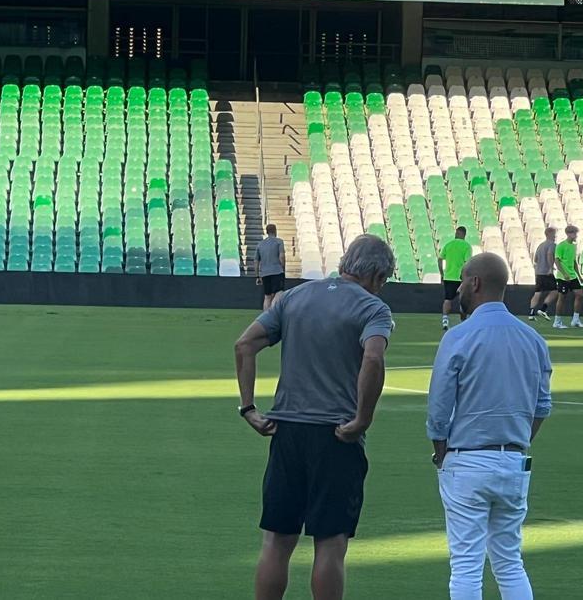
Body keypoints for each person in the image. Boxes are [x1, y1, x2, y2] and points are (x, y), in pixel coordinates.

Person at [234, 234, 396, 600]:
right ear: (378, 278)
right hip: (336, 435)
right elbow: (372, 358)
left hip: (287, 430)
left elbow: (244, 344)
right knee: (330, 543)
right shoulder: (373, 309)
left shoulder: (293, 297)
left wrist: (248, 408)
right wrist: (362, 419)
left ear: (344, 263)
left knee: (276, 539)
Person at [427, 253, 553, 600]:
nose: (460, 288)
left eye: (464, 280)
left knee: (466, 565)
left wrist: (441, 452)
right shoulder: (533, 340)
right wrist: (519, 442)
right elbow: (542, 406)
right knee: (510, 562)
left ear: (475, 284)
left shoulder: (458, 337)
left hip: (466, 459)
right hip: (513, 461)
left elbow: (439, 408)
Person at [439, 226, 473, 331]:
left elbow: (440, 259)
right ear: (464, 234)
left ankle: (445, 320)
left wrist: (442, 273)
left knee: (447, 299)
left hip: (449, 277)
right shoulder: (467, 246)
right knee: (463, 300)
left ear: (456, 233)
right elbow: (468, 262)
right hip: (461, 278)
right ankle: (463, 322)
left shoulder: (448, 245)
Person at [552, 225, 583, 329]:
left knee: (579, 294)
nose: (575, 235)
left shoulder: (573, 246)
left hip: (572, 275)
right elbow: (557, 261)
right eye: (574, 233)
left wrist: (579, 275)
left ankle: (575, 320)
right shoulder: (561, 246)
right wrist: (564, 273)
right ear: (569, 234)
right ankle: (557, 322)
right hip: (563, 277)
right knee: (562, 298)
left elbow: (574, 261)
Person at [527, 227, 559, 321]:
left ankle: (531, 313)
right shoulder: (552, 245)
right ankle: (543, 309)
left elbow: (535, 259)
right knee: (555, 291)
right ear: (549, 234)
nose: (555, 236)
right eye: (554, 234)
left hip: (538, 272)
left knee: (537, 293)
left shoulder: (540, 245)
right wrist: (550, 268)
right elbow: (549, 255)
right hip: (546, 272)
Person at [255, 224, 287, 312]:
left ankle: (265, 317)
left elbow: (256, 261)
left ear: (267, 232)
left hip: (265, 273)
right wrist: (283, 268)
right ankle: (273, 313)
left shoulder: (260, 244)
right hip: (277, 271)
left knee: (267, 296)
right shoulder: (279, 242)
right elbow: (281, 256)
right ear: (275, 231)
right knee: (279, 292)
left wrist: (257, 275)